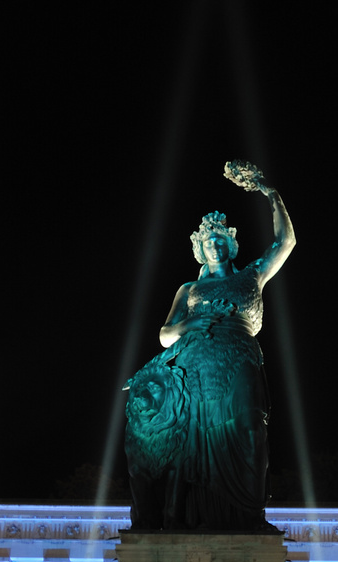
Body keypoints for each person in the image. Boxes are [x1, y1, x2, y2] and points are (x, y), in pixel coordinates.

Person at [124, 162, 297, 533]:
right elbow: (165, 334)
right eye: (207, 242)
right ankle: (194, 515)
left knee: (251, 429)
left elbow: (286, 242)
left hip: (240, 360)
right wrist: (191, 323)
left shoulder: (252, 274)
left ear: (231, 244)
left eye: (219, 240)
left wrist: (270, 193)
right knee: (196, 446)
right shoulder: (189, 290)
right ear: (200, 250)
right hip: (196, 368)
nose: (214, 246)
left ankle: (248, 515)